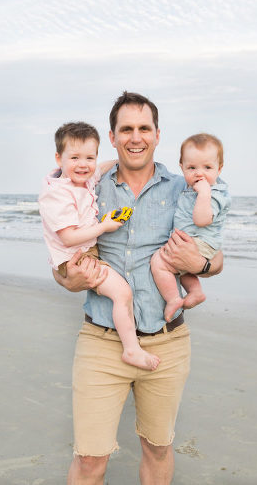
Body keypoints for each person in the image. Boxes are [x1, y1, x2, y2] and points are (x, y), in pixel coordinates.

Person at [53, 92, 223, 484]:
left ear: (157, 135)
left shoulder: (185, 187)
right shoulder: (88, 186)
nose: (136, 137)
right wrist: (68, 279)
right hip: (101, 340)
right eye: (126, 129)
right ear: (112, 137)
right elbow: (62, 257)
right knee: (90, 459)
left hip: (167, 341)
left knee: (158, 447)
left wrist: (200, 264)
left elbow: (216, 257)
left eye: (144, 128)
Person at [39, 122, 161, 371]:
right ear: (59, 158)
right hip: (75, 256)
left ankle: (130, 345)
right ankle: (131, 349)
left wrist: (121, 160)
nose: (83, 164)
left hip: (85, 251)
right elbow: (68, 238)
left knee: (122, 293)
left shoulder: (82, 179)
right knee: (122, 293)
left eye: (89, 157)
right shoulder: (57, 194)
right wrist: (104, 226)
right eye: (74, 158)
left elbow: (101, 168)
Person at [150, 133, 231, 322]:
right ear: (182, 167)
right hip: (191, 241)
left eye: (207, 167)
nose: (199, 173)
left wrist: (204, 194)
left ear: (219, 169)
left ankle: (173, 299)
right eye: (192, 168)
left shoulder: (214, 194)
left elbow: (202, 220)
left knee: (159, 262)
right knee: (181, 268)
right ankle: (195, 292)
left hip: (199, 242)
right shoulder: (186, 187)